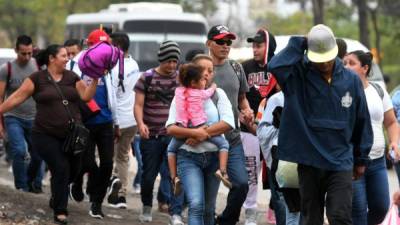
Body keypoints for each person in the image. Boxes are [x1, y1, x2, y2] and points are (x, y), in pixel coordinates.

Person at [267, 24, 373, 225]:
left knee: (340, 216)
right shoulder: (297, 75)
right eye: (319, 58)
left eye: (327, 58)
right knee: (310, 219)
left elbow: (362, 119)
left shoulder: (351, 79)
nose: (324, 63)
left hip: (340, 160)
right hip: (309, 160)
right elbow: (275, 66)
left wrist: (361, 157)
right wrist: (301, 42)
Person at [0, 44, 98, 224]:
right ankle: (60, 211)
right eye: (63, 56)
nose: (67, 58)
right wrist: (0, 110)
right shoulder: (37, 78)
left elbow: (86, 97)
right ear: (52, 58)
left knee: (74, 170)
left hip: (72, 136)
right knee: (60, 167)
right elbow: (17, 97)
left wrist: (96, 79)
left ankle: (57, 194)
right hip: (45, 134)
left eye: (68, 55)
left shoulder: (72, 77)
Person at [166, 54, 235, 225]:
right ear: (192, 74)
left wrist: (199, 134)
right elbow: (171, 128)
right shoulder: (180, 95)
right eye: (202, 70)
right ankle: (174, 178)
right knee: (196, 204)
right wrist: (194, 133)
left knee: (209, 208)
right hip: (188, 158)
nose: (206, 74)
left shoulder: (218, 94)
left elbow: (227, 123)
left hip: (213, 159)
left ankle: (222, 170)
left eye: (210, 71)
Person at [69, 28, 120, 219]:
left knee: (107, 163)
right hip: (84, 122)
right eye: (97, 45)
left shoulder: (110, 66)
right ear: (89, 46)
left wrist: (116, 123)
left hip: (105, 121)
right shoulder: (75, 64)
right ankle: (76, 182)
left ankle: (96, 202)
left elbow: (112, 95)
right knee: (88, 161)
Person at [343, 50, 399, 225]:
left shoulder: (378, 90)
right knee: (358, 211)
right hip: (352, 162)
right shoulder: (341, 91)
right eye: (344, 63)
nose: (346, 66)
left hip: (377, 163)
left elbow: (390, 122)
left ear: (365, 68)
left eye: (351, 63)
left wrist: (395, 143)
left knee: (381, 207)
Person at [134, 40, 184, 225]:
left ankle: (175, 213)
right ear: (160, 59)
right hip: (151, 136)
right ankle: (147, 206)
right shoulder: (146, 77)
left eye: (174, 61)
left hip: (174, 136)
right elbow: (138, 105)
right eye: (168, 61)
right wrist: (140, 124)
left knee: (175, 176)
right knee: (148, 176)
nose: (171, 65)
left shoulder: (181, 78)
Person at [206, 24, 251, 225]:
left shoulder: (236, 67)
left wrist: (246, 110)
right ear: (209, 43)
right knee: (206, 199)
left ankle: (225, 221)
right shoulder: (200, 68)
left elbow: (241, 97)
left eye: (229, 42)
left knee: (241, 185)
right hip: (205, 140)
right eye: (221, 41)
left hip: (232, 140)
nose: (226, 46)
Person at [240, 28, 278, 225]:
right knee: (252, 171)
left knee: (277, 172)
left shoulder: (278, 66)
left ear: (268, 46)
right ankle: (250, 212)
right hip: (249, 128)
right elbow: (240, 95)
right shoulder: (245, 67)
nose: (255, 49)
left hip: (274, 130)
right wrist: (244, 113)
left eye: (259, 45)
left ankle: (275, 206)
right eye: (253, 45)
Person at [0, 34, 44, 193]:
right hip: (13, 117)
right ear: (15, 51)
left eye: (29, 53)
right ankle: (22, 186)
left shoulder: (38, 66)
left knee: (38, 153)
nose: (27, 57)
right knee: (19, 151)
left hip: (35, 118)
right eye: (23, 53)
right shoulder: (7, 69)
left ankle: (36, 184)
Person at [106, 32, 141, 209]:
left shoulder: (113, 68)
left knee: (108, 156)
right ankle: (121, 196)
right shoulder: (134, 64)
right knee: (123, 156)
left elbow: (112, 97)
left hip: (116, 119)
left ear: (117, 47)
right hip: (133, 119)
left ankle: (112, 181)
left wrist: (115, 122)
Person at [257, 89, 301, 225]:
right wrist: (282, 127)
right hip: (285, 160)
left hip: (309, 160)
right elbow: (262, 131)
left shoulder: (314, 94)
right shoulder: (277, 99)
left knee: (307, 206)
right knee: (288, 204)